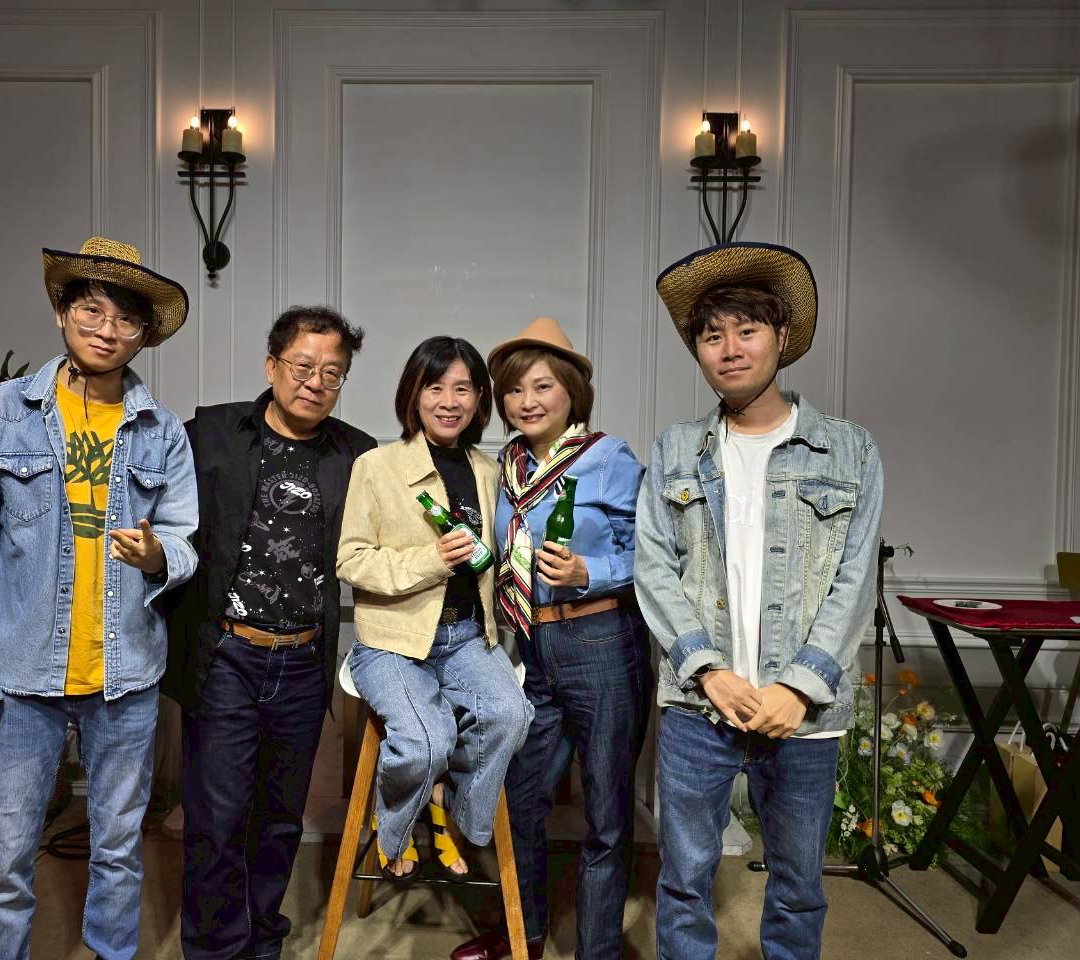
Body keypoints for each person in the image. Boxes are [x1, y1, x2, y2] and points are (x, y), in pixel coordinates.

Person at [0, 236, 199, 960]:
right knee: (6, 859)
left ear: (144, 335)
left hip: (126, 677)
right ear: (61, 312)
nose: (107, 330)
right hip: (22, 678)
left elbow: (184, 538)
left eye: (126, 319)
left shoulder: (162, 431)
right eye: (91, 311)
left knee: (119, 851)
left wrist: (158, 555)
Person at [638, 242, 883, 960]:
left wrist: (799, 687)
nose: (730, 349)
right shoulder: (677, 449)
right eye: (712, 336)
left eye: (747, 330)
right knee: (683, 880)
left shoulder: (849, 450)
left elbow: (854, 581)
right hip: (699, 706)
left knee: (799, 883)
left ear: (781, 335)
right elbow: (654, 569)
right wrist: (709, 671)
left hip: (802, 713)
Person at [164, 305, 375, 960]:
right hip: (227, 654)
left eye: (332, 373)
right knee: (216, 821)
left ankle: (262, 943)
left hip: (303, 661)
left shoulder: (359, 454)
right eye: (303, 365)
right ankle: (215, 951)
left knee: (280, 820)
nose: (316, 382)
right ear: (271, 365)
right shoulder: (210, 433)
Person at [451, 316, 651, 960]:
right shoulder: (503, 467)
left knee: (606, 814)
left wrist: (592, 573)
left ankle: (598, 949)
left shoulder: (607, 458)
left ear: (571, 391)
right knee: (520, 798)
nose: (527, 401)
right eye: (514, 390)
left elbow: (657, 556)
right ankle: (524, 932)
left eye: (542, 386)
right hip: (530, 648)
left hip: (602, 643)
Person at [336, 335, 534, 882]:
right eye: (435, 387)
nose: (449, 401)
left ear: (479, 400)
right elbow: (351, 560)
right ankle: (396, 831)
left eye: (463, 389)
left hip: (468, 636)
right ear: (413, 394)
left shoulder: (490, 471)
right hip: (391, 642)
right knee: (427, 742)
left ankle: (455, 814)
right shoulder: (376, 466)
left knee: (511, 715)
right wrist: (430, 560)